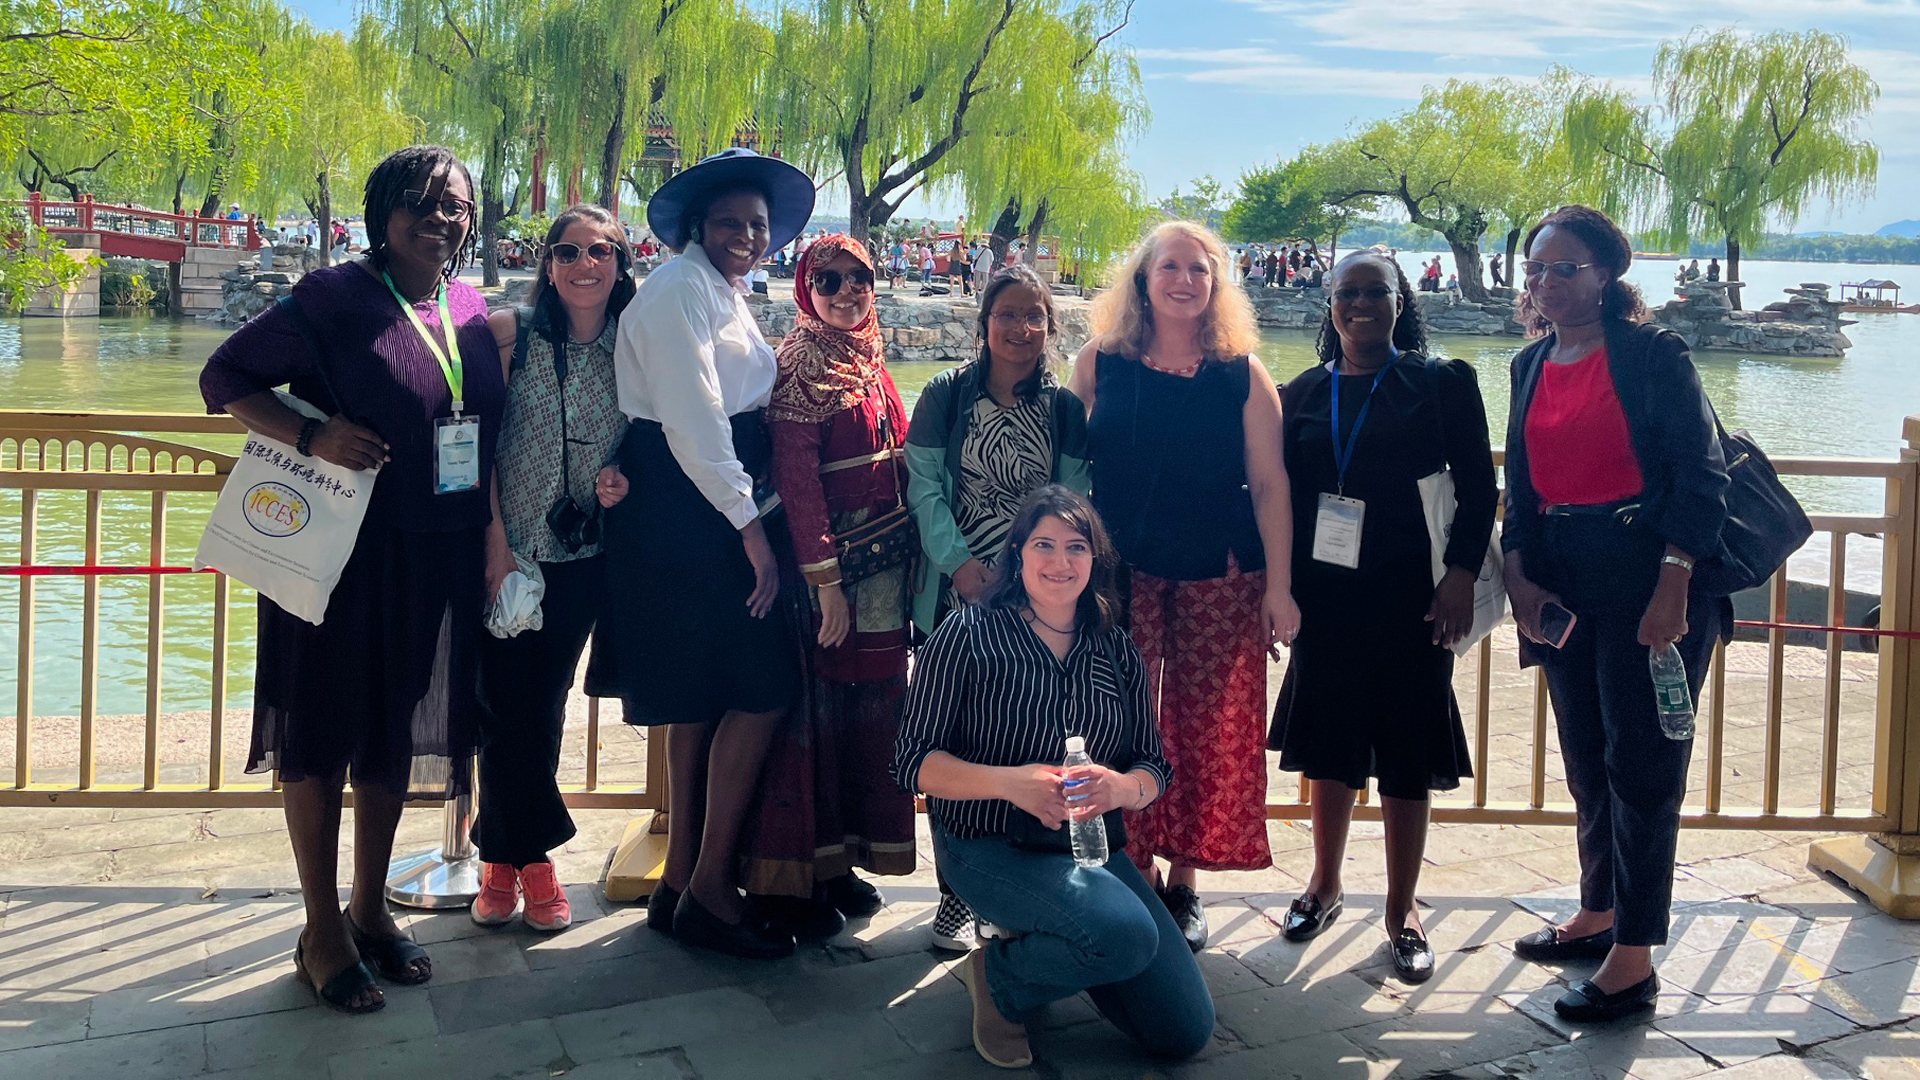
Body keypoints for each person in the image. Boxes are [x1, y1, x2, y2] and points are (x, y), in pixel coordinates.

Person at [198, 144, 502, 1013]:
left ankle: (371, 910)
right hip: (340, 554)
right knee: (323, 730)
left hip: (437, 552)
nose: (442, 216)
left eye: (457, 204)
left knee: (396, 731)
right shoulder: (333, 297)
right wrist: (311, 433)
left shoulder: (470, 305)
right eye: (423, 200)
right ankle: (320, 928)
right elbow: (225, 377)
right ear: (382, 210)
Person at [584, 147, 816, 960]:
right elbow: (695, 422)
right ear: (697, 226)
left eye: (758, 224)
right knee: (761, 689)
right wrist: (752, 533)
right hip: (696, 509)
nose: (747, 236)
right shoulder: (679, 290)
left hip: (695, 503)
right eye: (730, 222)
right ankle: (713, 888)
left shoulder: (719, 291)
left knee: (702, 696)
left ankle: (682, 880)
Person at [1502, 205, 1731, 1023]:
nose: (1546, 283)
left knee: (1642, 767)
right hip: (1564, 584)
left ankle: (1633, 957)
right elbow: (1521, 493)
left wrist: (1674, 585)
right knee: (1586, 758)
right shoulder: (1529, 364)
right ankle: (1597, 912)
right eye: (1535, 269)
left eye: (1564, 268)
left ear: (1606, 276)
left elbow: (1702, 476)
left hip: (1649, 580)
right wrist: (1520, 579)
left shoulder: (1652, 356)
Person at [895, 485, 1213, 1069]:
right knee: (1127, 936)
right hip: (988, 843)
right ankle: (1001, 979)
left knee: (1184, 1031)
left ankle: (1074, 943)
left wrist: (1122, 788)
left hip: (1088, 848)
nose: (1060, 562)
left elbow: (1153, 765)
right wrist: (1011, 782)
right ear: (1017, 554)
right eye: (1043, 544)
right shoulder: (966, 636)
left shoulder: (1115, 648)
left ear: (1096, 562)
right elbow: (913, 762)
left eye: (1076, 547)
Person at [1069, 221, 1300, 952]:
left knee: (1208, 731)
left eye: (1198, 270)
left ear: (1215, 283)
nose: (1183, 281)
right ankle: (1125, 870)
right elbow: (1066, 477)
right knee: (1117, 721)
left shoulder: (1242, 371)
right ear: (1142, 279)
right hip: (1118, 575)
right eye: (1168, 267)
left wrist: (1281, 589)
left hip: (1219, 574)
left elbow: (1270, 484)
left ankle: (1185, 882)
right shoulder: (1101, 362)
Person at [1268, 252, 1498, 983]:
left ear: (1403, 303)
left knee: (1406, 753)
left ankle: (1402, 910)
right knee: (1330, 748)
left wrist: (1461, 574)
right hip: (1325, 603)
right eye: (1348, 294)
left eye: (1376, 293)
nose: (1361, 305)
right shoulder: (1300, 393)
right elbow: (1276, 501)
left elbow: (1480, 487)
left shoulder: (1439, 385)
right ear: (1329, 306)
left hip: (1414, 598)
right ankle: (1325, 886)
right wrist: (1275, 592)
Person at [906, 264, 1093, 950]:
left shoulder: (1065, 409)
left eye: (1034, 316)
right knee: (950, 750)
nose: (1021, 328)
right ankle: (954, 895)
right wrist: (961, 568)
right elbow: (923, 488)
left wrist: (1027, 579)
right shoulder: (946, 396)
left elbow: (1073, 504)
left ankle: (1017, 892)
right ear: (984, 322)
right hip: (953, 601)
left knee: (1029, 746)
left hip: (1038, 604)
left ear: (1050, 325)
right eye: (1007, 314)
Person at [740, 234, 917, 938]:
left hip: (884, 577)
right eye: (830, 279)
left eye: (859, 279)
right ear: (804, 289)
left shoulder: (871, 359)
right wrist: (827, 586)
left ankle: (842, 861)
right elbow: (798, 487)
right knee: (812, 722)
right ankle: (795, 883)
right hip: (828, 584)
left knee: (865, 720)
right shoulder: (799, 366)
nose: (847, 292)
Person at [469, 204, 635, 932]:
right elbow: (469, 443)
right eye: (566, 252)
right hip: (510, 549)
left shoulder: (635, 348)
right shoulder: (513, 336)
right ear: (546, 265)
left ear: (620, 263)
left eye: (599, 251)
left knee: (544, 702)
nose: (583, 265)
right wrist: (495, 543)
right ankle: (531, 863)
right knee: (505, 705)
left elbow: (656, 438)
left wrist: (622, 478)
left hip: (585, 557)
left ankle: (503, 860)